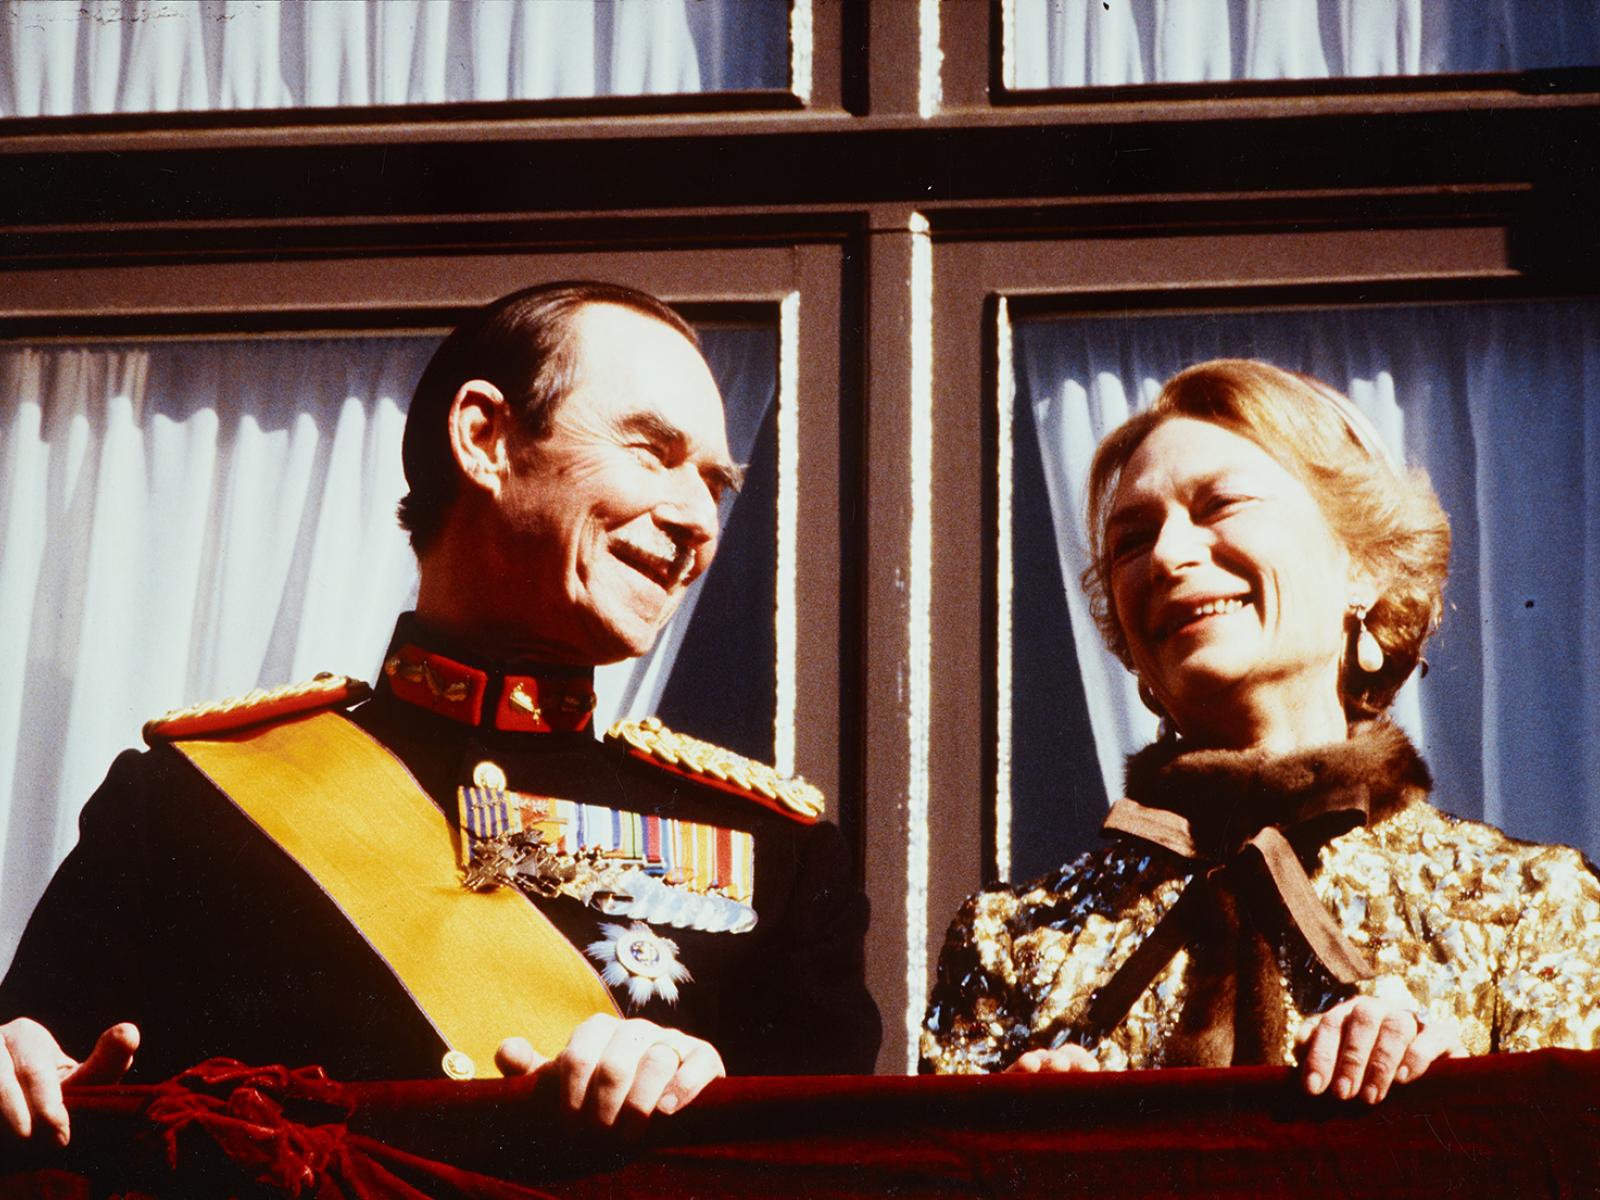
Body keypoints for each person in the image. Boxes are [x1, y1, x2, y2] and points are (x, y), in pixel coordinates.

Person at [0, 281, 880, 1147]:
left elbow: (843, 1159)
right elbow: (44, 1067)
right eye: (652, 451)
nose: (697, 518)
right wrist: (17, 1058)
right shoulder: (191, 801)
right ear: (484, 437)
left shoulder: (781, 858)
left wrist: (704, 1088)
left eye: (715, 485)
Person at [921, 358, 1600, 1100]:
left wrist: (1457, 1104)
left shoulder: (1532, 910)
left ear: (1363, 567)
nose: (1169, 558)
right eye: (1131, 540)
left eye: (1220, 506)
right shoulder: (1014, 944)